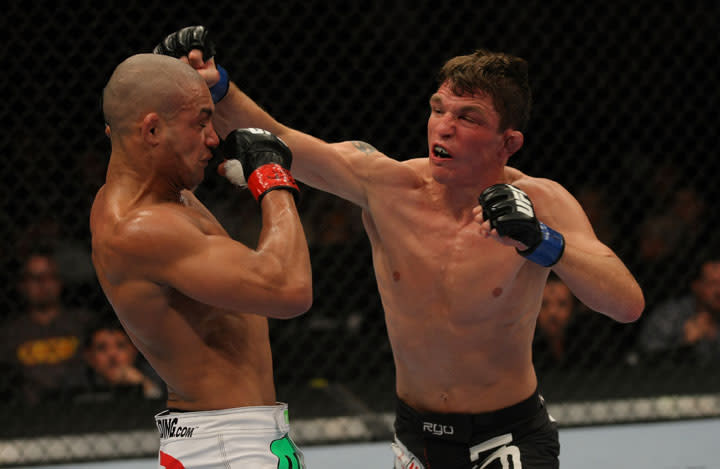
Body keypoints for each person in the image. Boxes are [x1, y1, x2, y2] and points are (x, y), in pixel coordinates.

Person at [154, 26, 645, 468]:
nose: (444, 126)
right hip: (416, 438)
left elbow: (626, 304)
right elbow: (281, 139)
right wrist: (217, 86)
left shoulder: (543, 201)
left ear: (508, 142)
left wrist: (543, 242)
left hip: (510, 435)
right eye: (438, 109)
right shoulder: (385, 184)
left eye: (468, 118)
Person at [90, 53, 312, 468]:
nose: (214, 138)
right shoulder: (144, 229)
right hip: (228, 447)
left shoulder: (160, 197)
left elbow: (144, 100)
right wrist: (272, 179)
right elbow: (289, 289)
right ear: (152, 129)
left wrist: (177, 80)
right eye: (201, 123)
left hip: (228, 438)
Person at [0, 250, 91, 405]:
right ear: (22, 285)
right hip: (27, 410)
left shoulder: (83, 322)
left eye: (49, 277)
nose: (43, 283)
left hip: (82, 404)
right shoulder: (9, 333)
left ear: (60, 281)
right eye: (35, 278)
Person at [636, 254, 720, 366]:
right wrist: (686, 344)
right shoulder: (670, 315)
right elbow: (647, 359)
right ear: (696, 285)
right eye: (713, 284)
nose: (719, 291)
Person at [78, 315, 164, 401]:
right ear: (89, 356)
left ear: (134, 351)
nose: (112, 354)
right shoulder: (77, 385)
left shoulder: (159, 377)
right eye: (101, 348)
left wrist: (144, 385)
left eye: (120, 346)